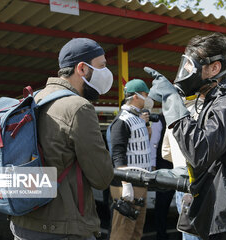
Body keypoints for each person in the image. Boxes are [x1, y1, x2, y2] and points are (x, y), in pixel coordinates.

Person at [145, 32, 226, 240]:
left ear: (214, 68)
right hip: (213, 213)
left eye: (191, 66)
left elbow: (200, 150)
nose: (186, 72)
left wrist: (173, 102)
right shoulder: (215, 101)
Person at [10, 38, 114, 239]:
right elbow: (102, 177)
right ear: (82, 69)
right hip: (64, 228)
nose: (106, 73)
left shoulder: (31, 100)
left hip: (22, 223)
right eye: (101, 66)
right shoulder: (78, 107)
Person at [109, 79, 154, 240]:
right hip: (129, 185)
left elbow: (145, 143)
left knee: (136, 231)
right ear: (135, 96)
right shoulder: (122, 120)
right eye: (145, 95)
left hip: (140, 183)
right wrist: (125, 184)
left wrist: (147, 124)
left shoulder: (137, 118)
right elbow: (118, 154)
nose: (148, 98)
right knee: (122, 232)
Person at [161, 96, 203, 240]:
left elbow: (165, 152)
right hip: (200, 180)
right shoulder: (205, 112)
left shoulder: (171, 118)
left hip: (180, 181)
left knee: (188, 230)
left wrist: (178, 162)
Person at [151, 113, 176, 240]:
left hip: (175, 166)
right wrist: (153, 164)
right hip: (165, 167)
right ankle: (161, 233)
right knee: (162, 204)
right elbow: (154, 142)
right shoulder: (159, 119)